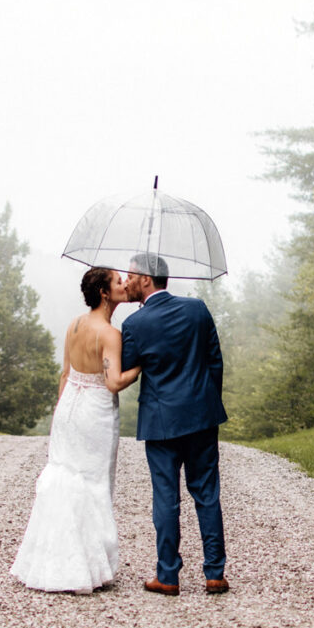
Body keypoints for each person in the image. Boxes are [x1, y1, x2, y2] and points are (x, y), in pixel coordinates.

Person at [10, 267, 139, 594]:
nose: (124, 283)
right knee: (92, 481)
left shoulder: (74, 325)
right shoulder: (110, 334)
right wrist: (142, 365)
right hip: (94, 411)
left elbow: (65, 374)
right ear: (104, 293)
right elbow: (113, 383)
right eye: (117, 281)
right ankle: (85, 566)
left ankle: (52, 561)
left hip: (68, 409)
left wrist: (61, 414)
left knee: (64, 474)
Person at [121, 253, 229, 596]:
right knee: (207, 495)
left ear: (147, 280)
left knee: (166, 498)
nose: (126, 282)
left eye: (130, 276)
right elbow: (215, 361)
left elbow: (128, 368)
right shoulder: (197, 309)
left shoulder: (135, 325)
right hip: (201, 416)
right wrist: (206, 402)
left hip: (161, 422)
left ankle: (168, 576)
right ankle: (215, 574)